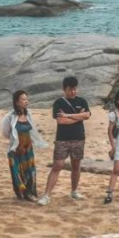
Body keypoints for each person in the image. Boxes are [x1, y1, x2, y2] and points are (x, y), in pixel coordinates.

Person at [39, 76, 91, 206]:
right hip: (62, 139)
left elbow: (87, 115)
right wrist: (79, 117)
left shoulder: (82, 101)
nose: (73, 92)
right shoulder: (59, 103)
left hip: (78, 138)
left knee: (76, 165)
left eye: (75, 89)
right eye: (70, 89)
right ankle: (46, 195)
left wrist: (68, 115)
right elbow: (61, 121)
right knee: (57, 165)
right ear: (64, 89)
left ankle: (74, 190)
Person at [0, 90, 46, 202]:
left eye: (27, 99)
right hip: (15, 149)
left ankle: (30, 192)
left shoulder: (28, 114)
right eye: (23, 99)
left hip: (28, 149)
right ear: (16, 102)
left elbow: (32, 129)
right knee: (17, 171)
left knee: (30, 170)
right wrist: (16, 142)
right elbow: (5, 132)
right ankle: (23, 193)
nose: (26, 101)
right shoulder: (10, 117)